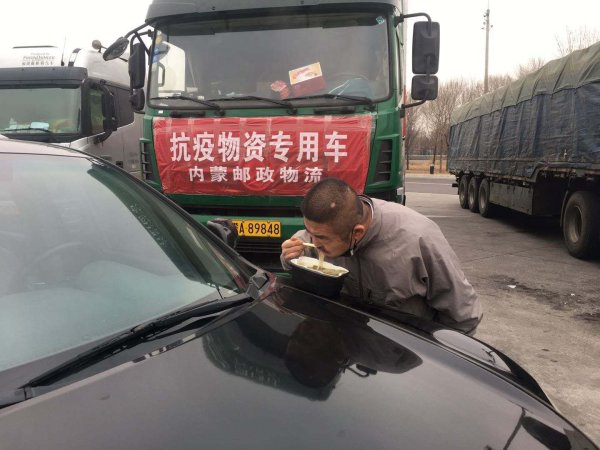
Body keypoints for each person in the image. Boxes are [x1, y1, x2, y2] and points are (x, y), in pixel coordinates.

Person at [281, 177, 482, 335]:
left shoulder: (418, 239)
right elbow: (303, 250)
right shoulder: (327, 228)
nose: (313, 242)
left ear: (357, 233)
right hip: (346, 347)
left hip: (401, 359)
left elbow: (463, 315)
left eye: (320, 238)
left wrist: (437, 363)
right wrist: (290, 258)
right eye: (309, 232)